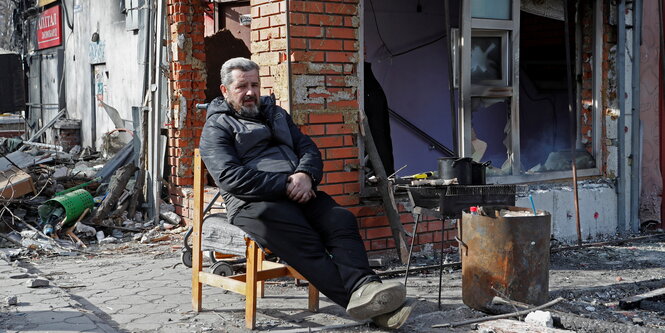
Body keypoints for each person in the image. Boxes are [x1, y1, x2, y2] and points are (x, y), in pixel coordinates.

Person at [199, 57, 414, 329]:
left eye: (255, 84)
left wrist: (305, 176)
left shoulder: (277, 114)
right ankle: (374, 308)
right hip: (253, 203)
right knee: (305, 239)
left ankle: (366, 286)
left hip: (299, 191)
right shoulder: (216, 127)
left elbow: (309, 149)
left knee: (340, 219)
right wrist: (286, 185)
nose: (251, 92)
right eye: (242, 86)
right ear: (225, 90)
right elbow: (231, 178)